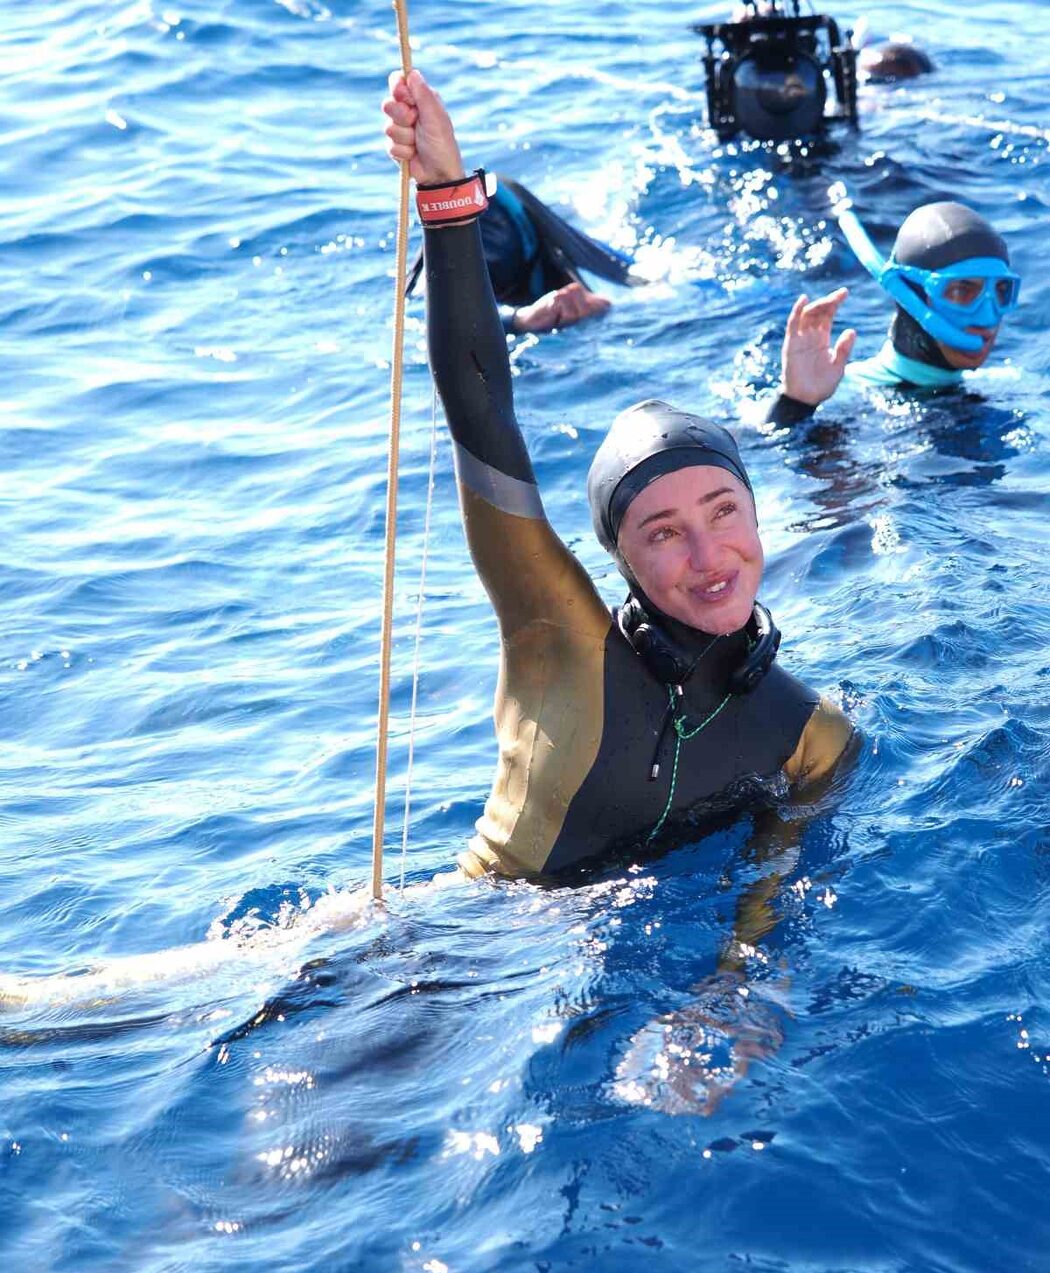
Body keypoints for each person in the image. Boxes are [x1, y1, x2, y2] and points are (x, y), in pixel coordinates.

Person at [383, 69, 854, 884]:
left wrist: (737, 995)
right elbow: (481, 412)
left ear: (755, 514)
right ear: (621, 559)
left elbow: (771, 902)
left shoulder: (811, 732)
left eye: (722, 513)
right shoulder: (560, 637)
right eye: (663, 534)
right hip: (464, 942)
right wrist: (448, 196)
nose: (709, 558)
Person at [765, 200, 1021, 428]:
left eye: (1001, 290)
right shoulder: (836, 394)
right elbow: (736, 461)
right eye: (961, 290)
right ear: (910, 295)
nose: (987, 317)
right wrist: (795, 407)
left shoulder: (1011, 386)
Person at [406, 171, 639, 335]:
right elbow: (438, 318)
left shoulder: (574, 258)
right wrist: (521, 320)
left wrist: (602, 306)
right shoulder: (432, 277)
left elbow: (645, 290)